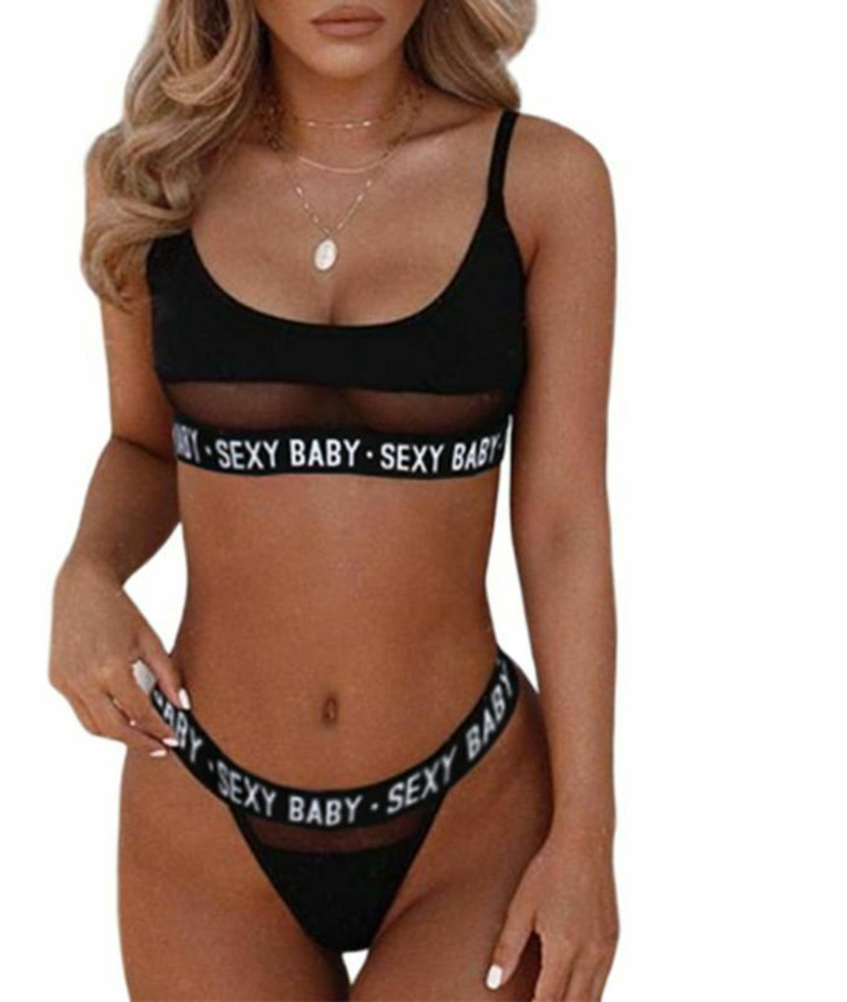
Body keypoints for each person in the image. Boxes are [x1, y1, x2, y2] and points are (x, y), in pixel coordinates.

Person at [49, 1, 619, 998]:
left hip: (473, 815)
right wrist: (87, 572)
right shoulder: (147, 176)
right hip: (206, 818)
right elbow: (143, 443)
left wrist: (587, 834)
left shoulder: (544, 182)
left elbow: (564, 524)